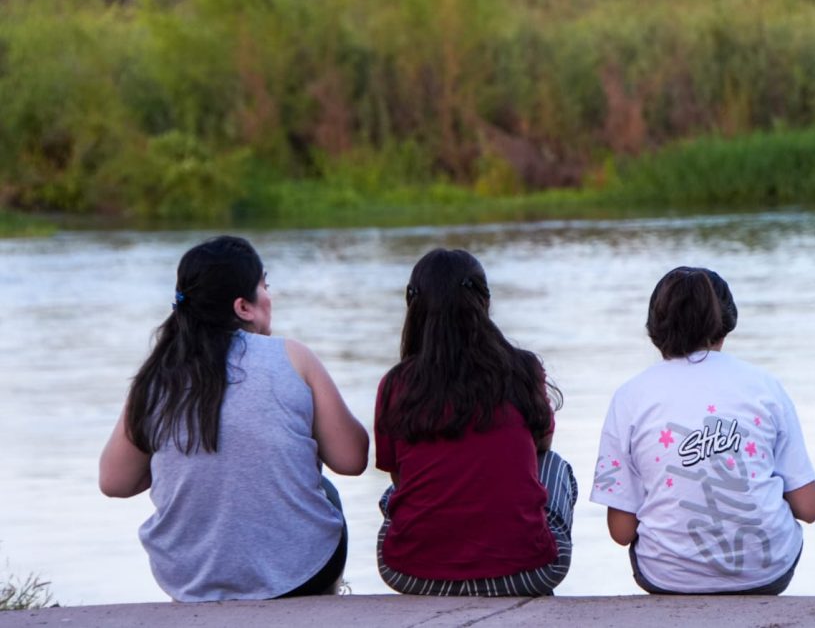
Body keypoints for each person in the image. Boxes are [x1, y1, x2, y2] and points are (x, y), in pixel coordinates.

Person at [98, 235, 369, 602]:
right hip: (300, 579)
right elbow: (352, 459)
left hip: (190, 581)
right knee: (327, 492)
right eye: (265, 285)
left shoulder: (157, 376)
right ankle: (319, 610)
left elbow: (115, 481)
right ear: (244, 307)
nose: (269, 296)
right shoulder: (293, 357)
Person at [591, 267, 815, 595]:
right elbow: (809, 509)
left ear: (654, 329)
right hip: (768, 574)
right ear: (726, 324)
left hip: (668, 578)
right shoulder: (764, 386)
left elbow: (622, 531)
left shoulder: (629, 396)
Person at [374, 248, 576, 596]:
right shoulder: (523, 369)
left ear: (414, 307)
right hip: (532, 573)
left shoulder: (396, 383)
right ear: (484, 302)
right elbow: (541, 448)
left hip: (412, 574)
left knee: (396, 492)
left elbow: (398, 474)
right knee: (554, 467)